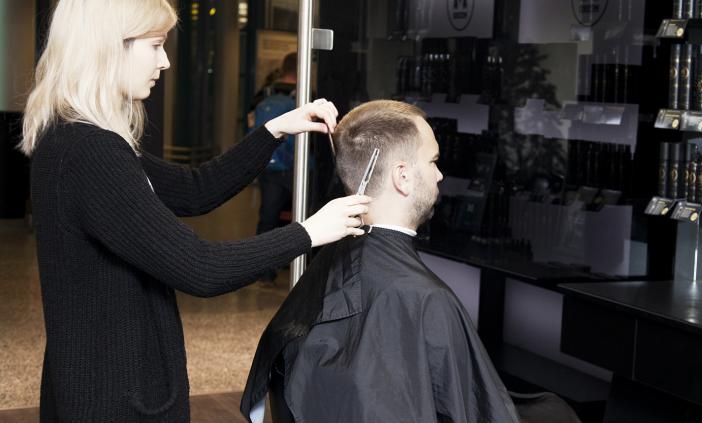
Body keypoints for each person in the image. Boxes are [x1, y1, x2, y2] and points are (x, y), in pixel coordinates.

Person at [19, 1, 371, 421]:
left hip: (100, 386)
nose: (165, 61)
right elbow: (200, 268)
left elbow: (194, 190)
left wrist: (276, 129)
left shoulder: (74, 138)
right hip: (114, 399)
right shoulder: (90, 152)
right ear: (108, 48)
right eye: (155, 45)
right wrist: (309, 233)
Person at [240, 100, 522, 423]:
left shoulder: (329, 263)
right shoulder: (429, 300)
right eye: (433, 161)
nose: (440, 175)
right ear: (402, 177)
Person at [250, 52, 298, 284]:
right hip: (294, 166)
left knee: (267, 217)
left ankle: (264, 271)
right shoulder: (304, 97)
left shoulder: (265, 94)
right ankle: (298, 265)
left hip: (269, 164)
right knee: (300, 216)